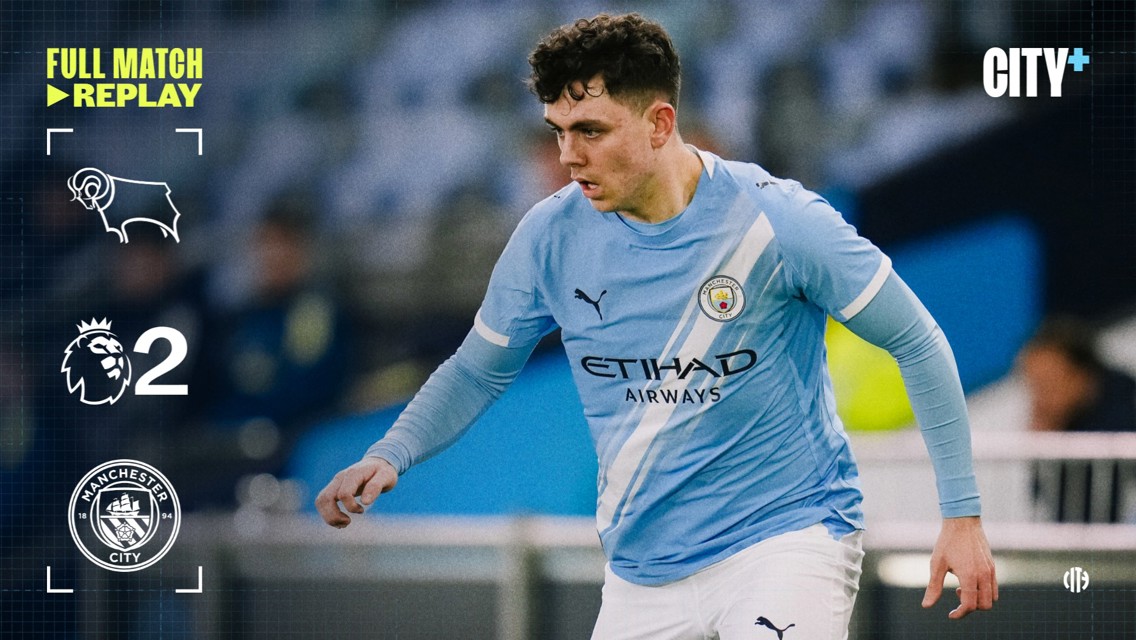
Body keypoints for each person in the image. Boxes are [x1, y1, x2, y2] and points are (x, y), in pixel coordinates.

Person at [317, 13, 996, 638]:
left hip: (785, 538)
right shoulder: (548, 239)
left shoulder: (778, 222)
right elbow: (477, 367)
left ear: (660, 124)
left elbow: (917, 338)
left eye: (591, 131)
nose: (568, 157)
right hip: (642, 569)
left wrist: (961, 515)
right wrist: (390, 452)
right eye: (559, 132)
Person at [1019, 316, 1136, 522]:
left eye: (1047, 384)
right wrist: (1041, 450)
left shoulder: (1126, 410)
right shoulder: (1059, 424)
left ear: (1081, 376)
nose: (1039, 399)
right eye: (1034, 386)